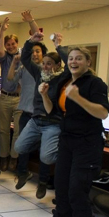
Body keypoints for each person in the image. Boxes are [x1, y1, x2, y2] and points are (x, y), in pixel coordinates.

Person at [45, 46, 109, 217]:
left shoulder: (94, 83)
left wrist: (78, 98)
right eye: (71, 58)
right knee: (61, 189)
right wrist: (45, 95)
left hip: (87, 144)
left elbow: (102, 113)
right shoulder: (66, 83)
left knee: (76, 193)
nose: (73, 61)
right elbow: (52, 111)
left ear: (88, 62)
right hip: (67, 141)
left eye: (79, 58)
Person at [13, 31, 69, 199]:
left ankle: (43, 182)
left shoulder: (62, 78)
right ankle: (42, 145)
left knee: (46, 156)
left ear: (57, 65)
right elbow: (24, 59)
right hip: (36, 120)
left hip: (53, 123)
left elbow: (69, 62)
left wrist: (58, 46)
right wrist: (30, 41)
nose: (45, 66)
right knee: (19, 147)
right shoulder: (39, 73)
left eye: (49, 64)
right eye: (44, 63)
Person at [0, 17, 28, 172]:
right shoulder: (4, 59)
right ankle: (3, 157)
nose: (10, 46)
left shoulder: (24, 57)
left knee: (18, 130)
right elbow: (0, 49)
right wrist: (2, 31)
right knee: (3, 130)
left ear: (17, 44)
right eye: (8, 44)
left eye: (13, 44)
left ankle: (14, 158)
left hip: (19, 99)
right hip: (4, 97)